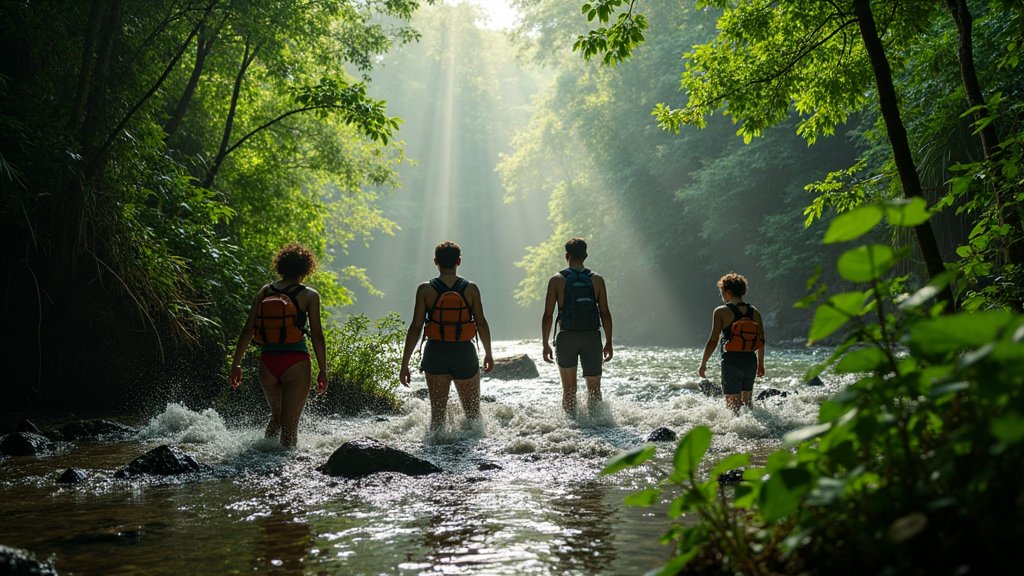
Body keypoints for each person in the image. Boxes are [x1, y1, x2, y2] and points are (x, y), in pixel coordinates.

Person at [229, 243, 328, 448]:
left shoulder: (266, 290)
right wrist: (323, 371)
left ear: (281, 265)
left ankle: (261, 459)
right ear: (306, 268)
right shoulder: (310, 295)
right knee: (290, 427)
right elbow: (317, 335)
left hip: (268, 363)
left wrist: (236, 364)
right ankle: (284, 475)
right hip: (296, 362)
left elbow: (248, 329)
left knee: (276, 418)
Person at [399, 241, 494, 430]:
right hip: (464, 352)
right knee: (474, 417)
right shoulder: (471, 289)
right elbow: (481, 323)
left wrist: (405, 364)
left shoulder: (425, 290)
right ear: (459, 262)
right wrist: (489, 354)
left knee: (437, 419)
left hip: (436, 353)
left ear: (436, 262)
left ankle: (435, 456)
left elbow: (416, 327)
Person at [541, 238, 613, 417]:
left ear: (567, 256)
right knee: (594, 388)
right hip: (591, 337)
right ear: (585, 256)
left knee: (569, 390)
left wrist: (545, 343)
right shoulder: (597, 280)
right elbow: (605, 313)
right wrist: (609, 341)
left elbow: (548, 315)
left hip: (567, 338)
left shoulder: (557, 280)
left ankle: (572, 429)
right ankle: (598, 425)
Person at [698, 272, 766, 413]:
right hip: (750, 361)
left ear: (728, 292)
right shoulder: (755, 312)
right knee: (747, 404)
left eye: (722, 292)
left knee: (732, 407)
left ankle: (737, 433)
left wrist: (703, 364)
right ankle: (755, 432)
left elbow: (713, 340)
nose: (722, 296)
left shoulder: (721, 312)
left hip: (731, 361)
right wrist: (760, 364)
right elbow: (761, 341)